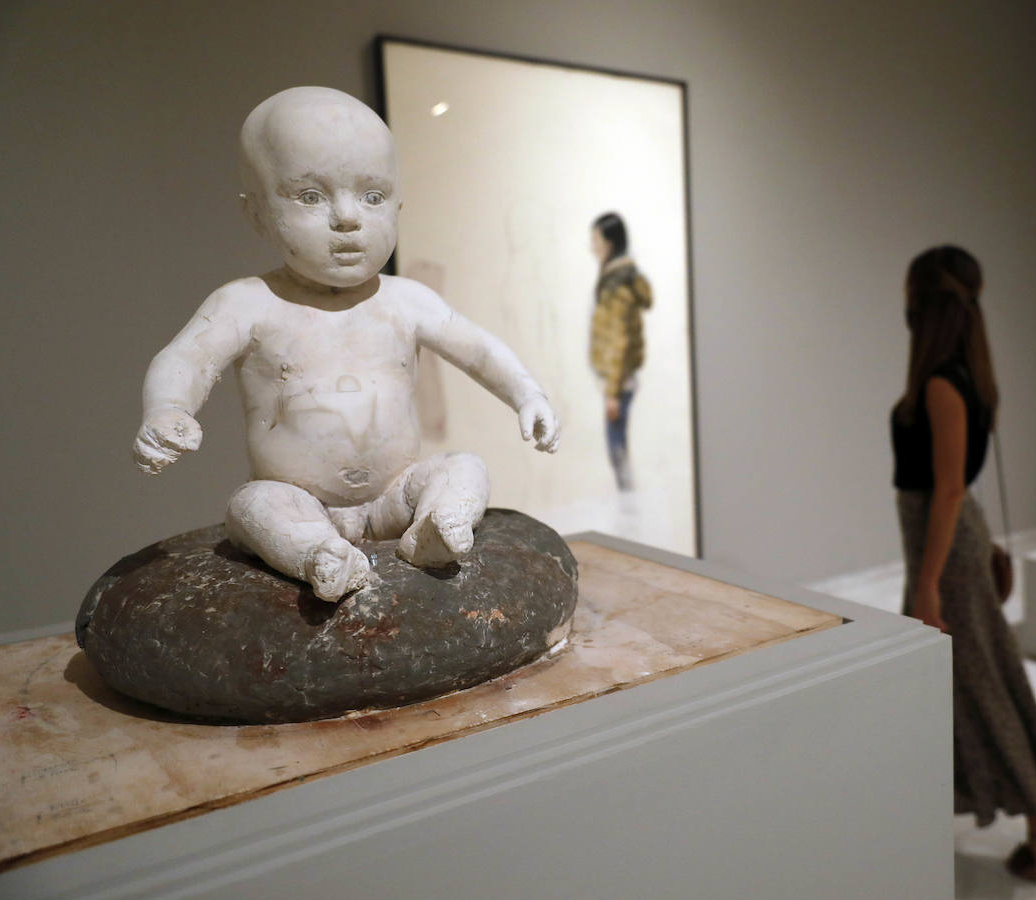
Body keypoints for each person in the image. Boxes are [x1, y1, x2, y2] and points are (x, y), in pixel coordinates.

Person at [132, 87, 560, 602]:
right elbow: (187, 358)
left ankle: (437, 526)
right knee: (252, 506)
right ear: (257, 214)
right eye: (311, 197)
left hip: (395, 495)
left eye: (372, 196)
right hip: (299, 498)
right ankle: (319, 554)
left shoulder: (406, 300)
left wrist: (527, 394)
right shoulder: (248, 303)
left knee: (463, 468)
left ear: (398, 206)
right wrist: (167, 410)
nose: (347, 218)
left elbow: (479, 349)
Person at [891, 245, 1036, 881]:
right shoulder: (963, 377)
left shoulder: (943, 383)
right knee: (979, 683)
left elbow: (948, 490)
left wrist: (927, 584)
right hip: (950, 548)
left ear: (924, 304)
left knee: (983, 688)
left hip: (943, 557)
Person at [588, 212, 653, 492]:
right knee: (618, 443)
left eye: (596, 240)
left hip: (619, 380)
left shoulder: (617, 286)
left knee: (616, 446)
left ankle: (627, 501)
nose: (592, 247)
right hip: (621, 378)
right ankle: (627, 497)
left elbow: (618, 340)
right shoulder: (619, 279)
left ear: (610, 243)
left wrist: (612, 392)